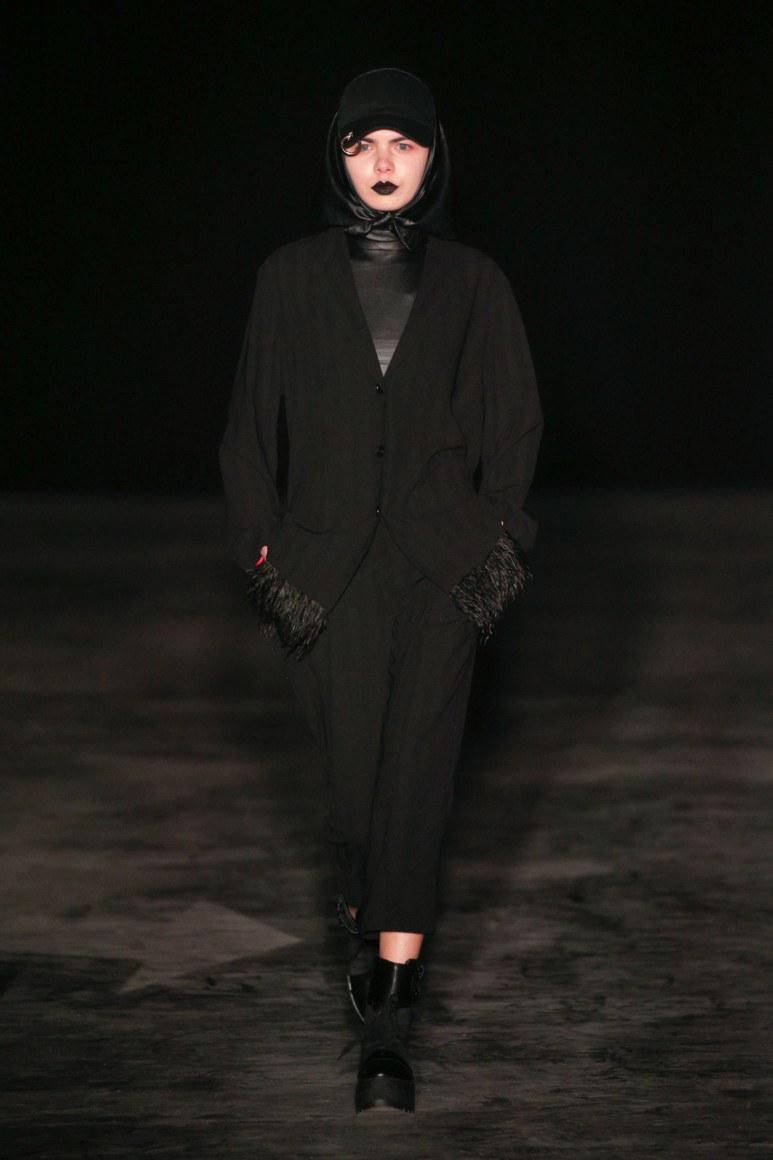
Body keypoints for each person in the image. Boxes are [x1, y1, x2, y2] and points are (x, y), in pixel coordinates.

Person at [220, 67, 542, 1114]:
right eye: (364, 146)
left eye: (404, 144)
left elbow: (513, 425)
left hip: (443, 565)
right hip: (325, 570)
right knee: (358, 793)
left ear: (433, 156)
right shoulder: (288, 277)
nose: (385, 164)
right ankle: (366, 910)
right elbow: (247, 430)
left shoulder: (475, 282)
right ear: (338, 159)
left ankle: (390, 1020)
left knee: (419, 779)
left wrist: (499, 545)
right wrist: (263, 554)